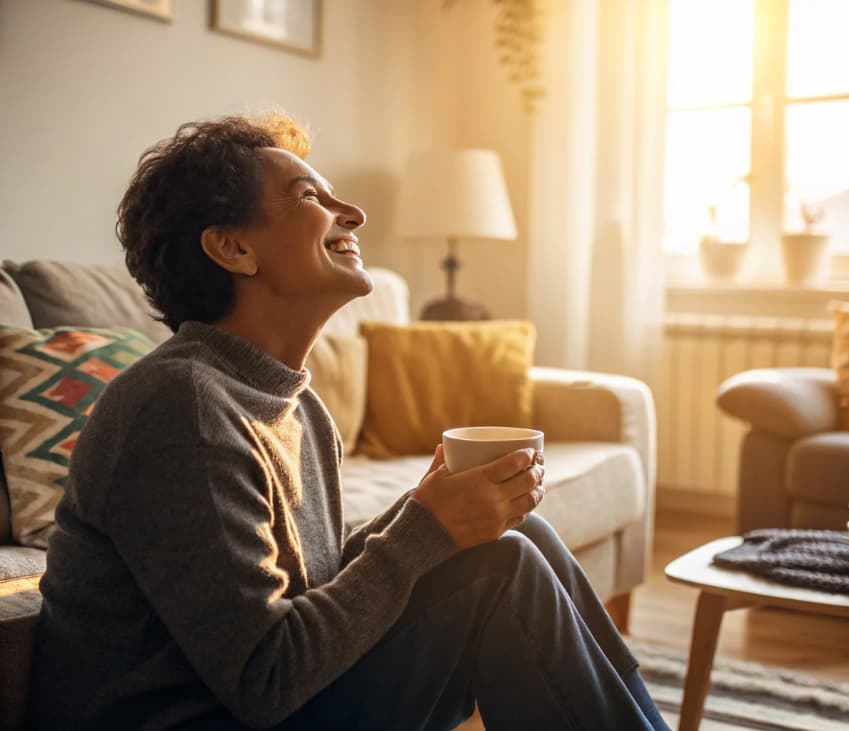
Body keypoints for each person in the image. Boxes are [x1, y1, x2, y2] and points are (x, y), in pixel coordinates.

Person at [29, 113, 669, 731]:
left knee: (523, 540)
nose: (354, 213)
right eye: (309, 195)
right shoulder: (183, 408)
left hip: (266, 703)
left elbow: (319, 589)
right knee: (499, 569)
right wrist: (426, 529)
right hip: (198, 718)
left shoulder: (295, 403)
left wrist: (428, 510)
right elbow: (265, 677)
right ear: (233, 247)